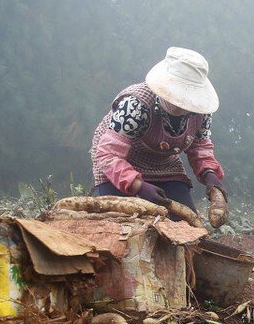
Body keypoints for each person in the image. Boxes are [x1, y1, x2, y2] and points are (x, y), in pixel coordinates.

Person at [89, 47, 228, 224]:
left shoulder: (201, 111)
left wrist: (210, 174)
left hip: (164, 164)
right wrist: (139, 186)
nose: (182, 104)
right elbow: (108, 155)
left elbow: (199, 146)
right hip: (117, 162)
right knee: (125, 225)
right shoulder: (136, 104)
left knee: (186, 227)